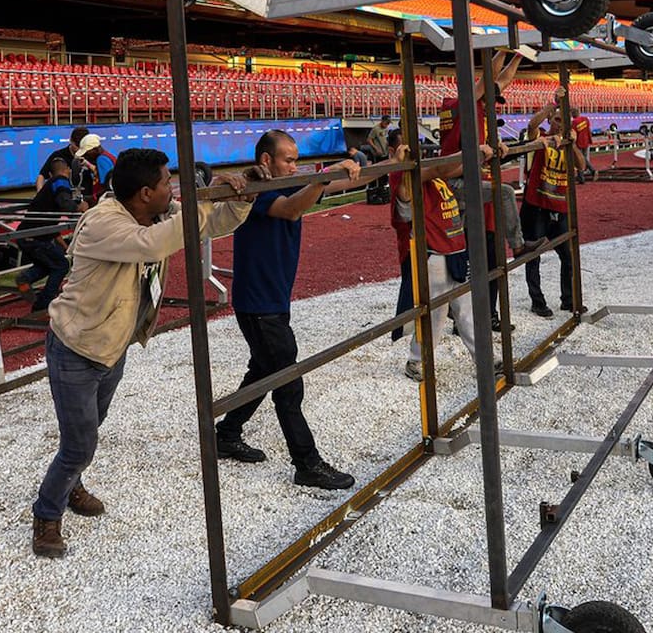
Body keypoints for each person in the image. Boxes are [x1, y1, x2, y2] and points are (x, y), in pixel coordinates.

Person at [31, 148, 254, 559]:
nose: (173, 188)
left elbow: (205, 225)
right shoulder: (104, 222)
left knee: (87, 432)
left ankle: (71, 480)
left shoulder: (153, 213)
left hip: (111, 347)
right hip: (75, 348)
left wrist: (240, 196)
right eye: (168, 182)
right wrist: (203, 198)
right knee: (80, 444)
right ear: (146, 191)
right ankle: (47, 513)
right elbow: (154, 246)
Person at [214, 130, 370, 491]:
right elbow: (292, 209)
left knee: (263, 370)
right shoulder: (258, 187)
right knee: (288, 384)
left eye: (297, 159)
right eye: (288, 159)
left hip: (269, 300)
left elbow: (318, 190)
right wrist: (328, 172)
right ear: (267, 160)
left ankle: (227, 432)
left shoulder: (284, 183)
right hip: (259, 303)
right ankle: (306, 462)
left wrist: (376, 167)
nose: (294, 165)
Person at [437, 51, 543, 332]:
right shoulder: (465, 105)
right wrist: (504, 50)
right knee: (504, 198)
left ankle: (473, 316)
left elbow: (502, 80)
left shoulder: (473, 110)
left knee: (478, 257)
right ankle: (518, 246)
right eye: (492, 97)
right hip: (457, 183)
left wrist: (519, 57)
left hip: (471, 185)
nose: (495, 102)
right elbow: (489, 77)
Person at [390, 141, 493, 380]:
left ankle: (484, 358)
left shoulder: (433, 175)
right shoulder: (403, 177)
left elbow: (450, 169)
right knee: (436, 315)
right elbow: (436, 171)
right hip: (433, 251)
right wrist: (474, 150)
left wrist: (481, 156)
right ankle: (417, 360)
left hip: (454, 246)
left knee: (467, 310)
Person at [521, 99, 585, 317]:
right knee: (533, 255)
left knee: (568, 255)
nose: (560, 124)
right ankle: (537, 301)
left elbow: (582, 165)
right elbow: (531, 127)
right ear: (550, 120)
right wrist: (551, 106)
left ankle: (568, 300)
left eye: (564, 121)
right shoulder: (540, 139)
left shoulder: (567, 143)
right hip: (536, 206)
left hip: (559, 206)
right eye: (557, 120)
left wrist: (572, 144)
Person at [15, 157, 87, 314]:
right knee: (61, 265)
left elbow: (51, 219)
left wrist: (64, 245)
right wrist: (79, 207)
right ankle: (44, 303)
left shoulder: (50, 187)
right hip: (35, 237)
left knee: (49, 264)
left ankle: (26, 278)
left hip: (29, 235)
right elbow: (65, 204)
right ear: (66, 170)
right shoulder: (60, 182)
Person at [36, 126, 90, 194]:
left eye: (82, 147)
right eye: (77, 146)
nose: (79, 150)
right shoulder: (57, 155)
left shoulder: (90, 154)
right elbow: (42, 176)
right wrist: (39, 193)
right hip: (63, 197)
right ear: (71, 140)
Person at [73, 133, 117, 205]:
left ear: (95, 149)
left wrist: (92, 198)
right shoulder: (106, 156)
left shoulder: (101, 159)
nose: (85, 155)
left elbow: (107, 187)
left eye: (87, 153)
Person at [570, 106, 596, 183]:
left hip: (579, 143)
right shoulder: (585, 119)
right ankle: (581, 178)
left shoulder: (574, 122)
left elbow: (573, 134)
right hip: (586, 141)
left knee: (580, 159)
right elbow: (588, 130)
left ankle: (592, 171)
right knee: (583, 158)